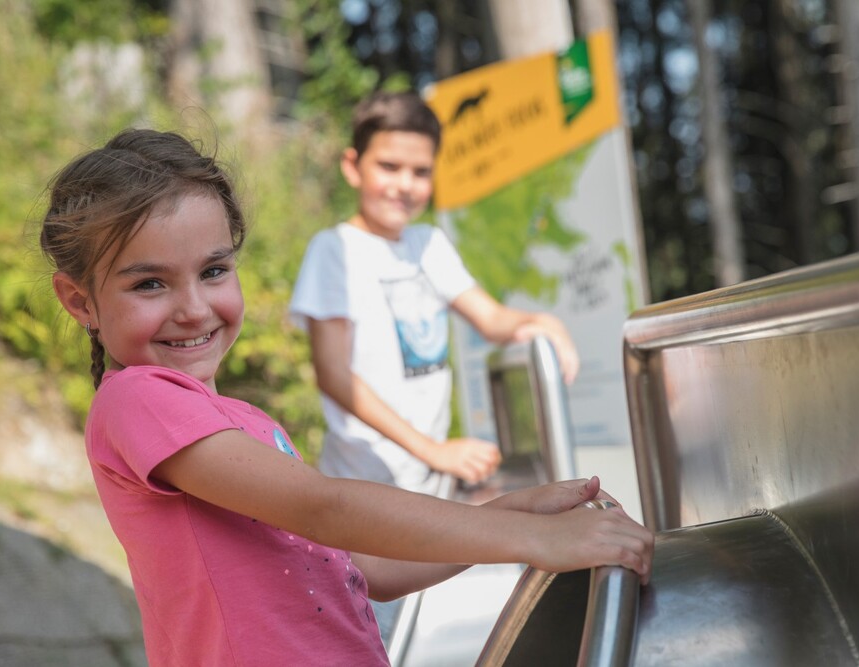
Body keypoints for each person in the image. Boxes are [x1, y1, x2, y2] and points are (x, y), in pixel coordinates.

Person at [39, 127, 650, 666]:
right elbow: (322, 507)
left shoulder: (244, 422)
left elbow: (369, 567)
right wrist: (536, 542)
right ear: (80, 301)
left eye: (215, 270)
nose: (195, 307)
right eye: (150, 283)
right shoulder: (136, 400)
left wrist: (504, 516)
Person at [290, 91, 581, 497]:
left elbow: (492, 320)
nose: (404, 185)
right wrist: (434, 451)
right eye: (389, 167)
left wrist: (544, 323)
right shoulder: (334, 248)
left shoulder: (429, 243)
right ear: (352, 166)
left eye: (421, 171)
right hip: (363, 485)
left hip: (429, 482)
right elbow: (333, 374)